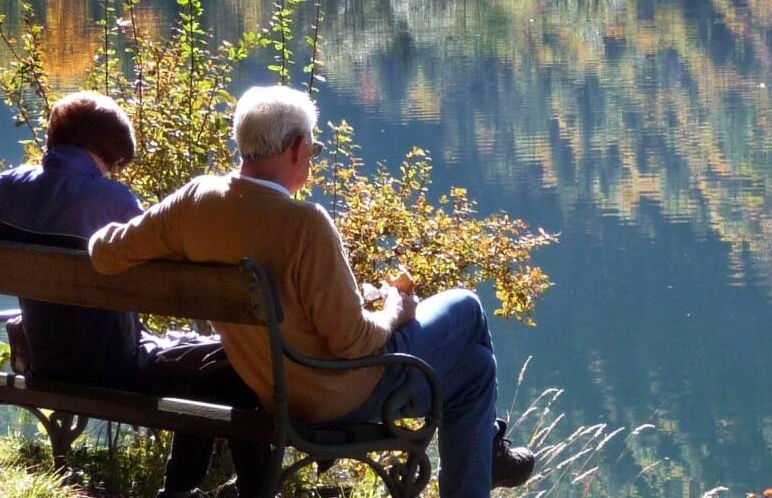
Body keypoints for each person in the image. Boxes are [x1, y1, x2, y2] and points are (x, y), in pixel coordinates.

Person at [88, 85, 535, 498]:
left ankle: (489, 449)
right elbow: (354, 341)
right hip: (334, 396)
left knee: (475, 371)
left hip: (270, 385)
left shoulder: (194, 202)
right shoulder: (304, 224)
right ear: (299, 149)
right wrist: (395, 310)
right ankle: (491, 446)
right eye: (314, 149)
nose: (312, 157)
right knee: (467, 307)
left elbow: (104, 252)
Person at [0, 91, 266, 498]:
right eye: (116, 163)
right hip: (117, 365)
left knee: (214, 360)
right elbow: (169, 267)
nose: (114, 172)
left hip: (48, 362)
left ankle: (189, 490)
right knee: (234, 361)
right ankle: (208, 491)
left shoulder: (12, 187)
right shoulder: (111, 200)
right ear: (106, 153)